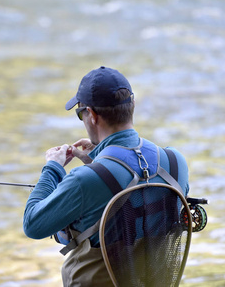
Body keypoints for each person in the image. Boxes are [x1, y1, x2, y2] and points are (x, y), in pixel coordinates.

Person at [23, 66, 190, 286]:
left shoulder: (84, 180)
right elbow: (139, 201)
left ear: (91, 115)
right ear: (132, 106)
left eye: (80, 114)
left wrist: (53, 167)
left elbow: (33, 224)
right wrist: (97, 158)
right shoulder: (175, 162)